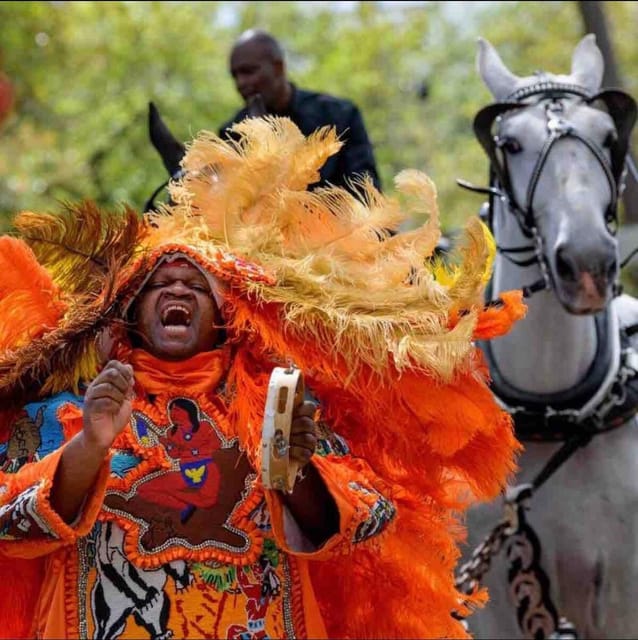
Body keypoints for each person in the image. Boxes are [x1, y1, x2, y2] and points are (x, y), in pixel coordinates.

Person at [0, 116, 524, 639]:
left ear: (224, 315)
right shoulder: (71, 411)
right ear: (131, 314)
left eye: (194, 286)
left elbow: (369, 520)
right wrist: (90, 446)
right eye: (159, 284)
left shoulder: (277, 409)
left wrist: (293, 471)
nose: (177, 292)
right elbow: (8, 522)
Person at [220, 29, 382, 195]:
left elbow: (367, 193)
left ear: (278, 68)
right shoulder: (232, 133)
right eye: (235, 75)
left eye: (248, 71)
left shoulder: (340, 115)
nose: (240, 82)